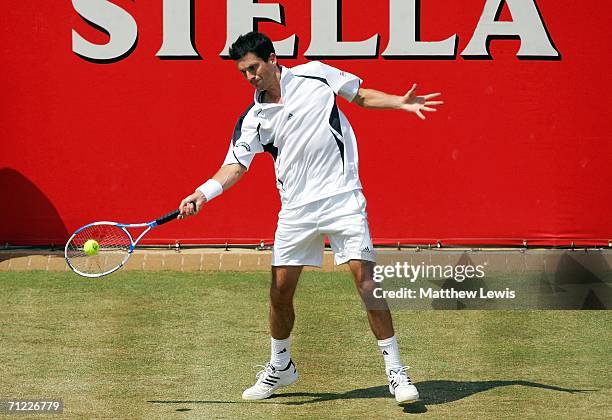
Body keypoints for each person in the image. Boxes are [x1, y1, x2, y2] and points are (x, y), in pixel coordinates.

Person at [178, 31, 443, 403]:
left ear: (272, 58)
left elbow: (361, 96)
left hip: (342, 199)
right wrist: (203, 193)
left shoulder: (315, 74)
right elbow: (235, 165)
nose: (251, 77)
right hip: (296, 211)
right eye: (244, 73)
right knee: (279, 293)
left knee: (367, 284)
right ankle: (280, 366)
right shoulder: (254, 118)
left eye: (254, 67)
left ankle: (396, 372)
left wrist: (399, 102)